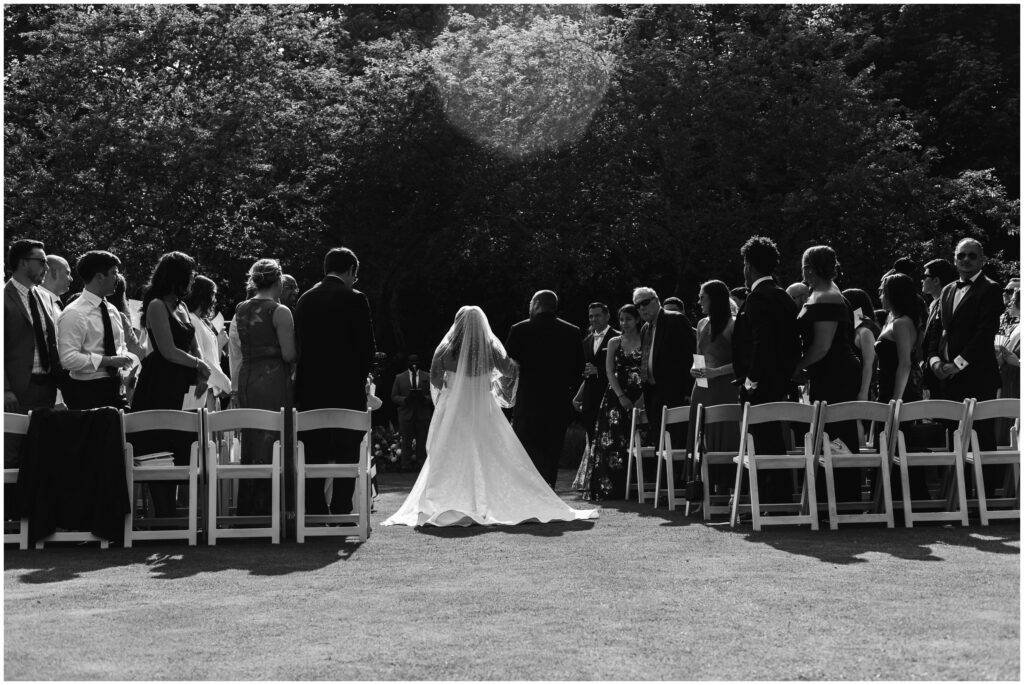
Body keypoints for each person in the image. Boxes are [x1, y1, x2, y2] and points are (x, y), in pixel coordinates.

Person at [383, 306, 598, 527]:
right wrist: (489, 379)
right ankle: (485, 502)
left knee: (449, 453)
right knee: (491, 452)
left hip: (453, 411)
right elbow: (509, 370)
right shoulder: (490, 349)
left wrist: (455, 386)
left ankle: (443, 501)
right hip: (483, 408)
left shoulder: (445, 350)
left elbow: (436, 382)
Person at [294, 247, 376, 516]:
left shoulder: (305, 299)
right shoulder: (355, 298)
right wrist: (360, 378)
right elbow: (367, 348)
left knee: (313, 452)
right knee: (347, 450)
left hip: (310, 390)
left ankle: (316, 511)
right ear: (352, 270)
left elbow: (300, 345)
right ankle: (342, 508)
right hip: (347, 390)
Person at [130, 251, 210, 516]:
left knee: (182, 444)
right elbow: (167, 350)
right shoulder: (156, 305)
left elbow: (194, 345)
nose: (193, 279)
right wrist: (199, 365)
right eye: (190, 274)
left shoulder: (183, 307)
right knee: (159, 446)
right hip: (160, 384)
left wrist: (201, 372)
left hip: (185, 383)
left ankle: (172, 511)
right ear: (178, 276)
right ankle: (164, 513)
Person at [228, 259, 296, 516]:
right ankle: (276, 509)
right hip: (273, 379)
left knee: (253, 442)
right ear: (278, 281)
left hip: (248, 378)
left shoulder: (241, 308)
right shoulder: (280, 312)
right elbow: (288, 354)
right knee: (277, 439)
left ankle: (250, 509)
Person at [793, 245, 861, 503]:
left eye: (804, 267)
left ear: (809, 268)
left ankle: (843, 499)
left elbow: (822, 346)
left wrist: (797, 367)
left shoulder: (827, 296)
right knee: (828, 431)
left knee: (836, 431)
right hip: (830, 370)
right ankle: (830, 498)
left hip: (836, 371)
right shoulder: (822, 293)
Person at [923, 237, 1003, 457]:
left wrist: (957, 364)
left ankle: (986, 492)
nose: (966, 259)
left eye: (972, 255)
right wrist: (934, 361)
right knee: (955, 440)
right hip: (948, 378)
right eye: (961, 255)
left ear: (982, 260)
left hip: (978, 377)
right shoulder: (947, 290)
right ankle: (959, 490)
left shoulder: (991, 289)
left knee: (981, 440)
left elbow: (984, 334)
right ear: (954, 259)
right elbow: (935, 332)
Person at [731, 236, 800, 477]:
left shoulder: (758, 297)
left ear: (748, 265)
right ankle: (774, 503)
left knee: (761, 446)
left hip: (760, 386)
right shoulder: (783, 296)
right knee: (773, 444)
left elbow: (762, 343)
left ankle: (768, 504)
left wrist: (751, 381)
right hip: (780, 382)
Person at [505, 290, 584, 489]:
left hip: (528, 400)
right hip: (558, 400)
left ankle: (526, 488)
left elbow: (509, 368)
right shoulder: (572, 331)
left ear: (537, 304)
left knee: (526, 446)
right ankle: (549, 486)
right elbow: (578, 368)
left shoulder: (520, 329)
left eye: (531, 303)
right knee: (552, 446)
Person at [572, 304, 646, 500]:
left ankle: (641, 486)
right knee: (612, 442)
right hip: (616, 396)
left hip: (641, 393)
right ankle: (612, 488)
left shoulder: (646, 339)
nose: (624, 323)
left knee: (642, 439)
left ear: (637, 320)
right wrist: (621, 396)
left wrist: (642, 397)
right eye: (621, 320)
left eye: (628, 319)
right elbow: (609, 371)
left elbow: (650, 369)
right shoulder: (614, 341)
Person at [58, 250, 134, 411]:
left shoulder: (112, 310)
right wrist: (108, 361)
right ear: (99, 277)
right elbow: (67, 359)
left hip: (116, 387)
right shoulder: (74, 312)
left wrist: (124, 360)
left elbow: (120, 346)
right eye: (114, 273)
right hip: (87, 391)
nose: (118, 278)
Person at [687, 280, 739, 494]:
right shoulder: (701, 324)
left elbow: (743, 362)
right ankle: (701, 485)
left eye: (703, 297)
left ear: (715, 298)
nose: (699, 302)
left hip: (725, 387)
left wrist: (716, 372)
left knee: (725, 434)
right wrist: (695, 368)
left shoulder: (733, 324)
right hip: (702, 387)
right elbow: (699, 355)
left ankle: (726, 485)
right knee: (701, 432)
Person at [634, 286, 696, 454]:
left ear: (656, 301)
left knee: (676, 441)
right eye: (637, 306)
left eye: (645, 303)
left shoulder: (675, 319)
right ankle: (662, 479)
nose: (641, 308)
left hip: (675, 392)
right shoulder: (645, 329)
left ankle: (678, 480)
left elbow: (692, 355)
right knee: (659, 441)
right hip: (653, 392)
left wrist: (690, 391)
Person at [5, 239, 62, 413]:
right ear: (23, 263)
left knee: (44, 440)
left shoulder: (45, 298)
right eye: (42, 262)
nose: (47, 268)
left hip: (47, 389)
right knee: (16, 440)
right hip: (16, 392)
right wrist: (5, 389)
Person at [574, 302, 618, 445]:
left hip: (611, 396)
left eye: (598, 315)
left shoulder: (618, 338)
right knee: (592, 439)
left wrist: (598, 370)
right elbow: (586, 374)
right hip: (590, 399)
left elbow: (624, 369)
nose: (594, 319)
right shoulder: (586, 341)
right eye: (591, 316)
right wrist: (578, 397)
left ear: (607, 316)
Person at [186, 275, 231, 410]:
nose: (214, 300)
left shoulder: (201, 321)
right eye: (213, 295)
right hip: (202, 390)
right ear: (203, 296)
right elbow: (203, 359)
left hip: (212, 389)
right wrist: (227, 385)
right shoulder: (192, 320)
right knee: (203, 429)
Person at [876, 274, 922, 403]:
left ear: (894, 295)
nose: (880, 297)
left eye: (884, 292)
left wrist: (896, 401)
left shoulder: (900, 323)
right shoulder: (891, 319)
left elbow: (905, 364)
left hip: (898, 393)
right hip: (886, 388)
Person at [920, 258, 958, 398]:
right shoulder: (934, 304)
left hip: (944, 374)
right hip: (933, 373)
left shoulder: (948, 304)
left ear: (936, 280)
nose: (921, 280)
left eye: (925, 276)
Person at [390, 353, 433, 471]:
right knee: (406, 442)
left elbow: (434, 395)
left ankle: (422, 466)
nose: (413, 363)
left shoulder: (427, 376)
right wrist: (405, 400)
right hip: (406, 414)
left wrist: (425, 399)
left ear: (419, 362)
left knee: (422, 441)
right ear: (407, 363)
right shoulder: (399, 377)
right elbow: (394, 396)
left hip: (422, 413)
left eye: (416, 361)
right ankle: (405, 466)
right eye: (411, 361)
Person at [842, 288, 880, 401]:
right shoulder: (855, 329)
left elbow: (868, 366)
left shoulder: (865, 332)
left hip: (862, 390)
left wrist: (863, 393)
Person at [995, 288, 1019, 443]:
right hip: (1008, 381)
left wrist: (1017, 362)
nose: (1010, 302)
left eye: (1014, 299)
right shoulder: (1017, 327)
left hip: (1016, 383)